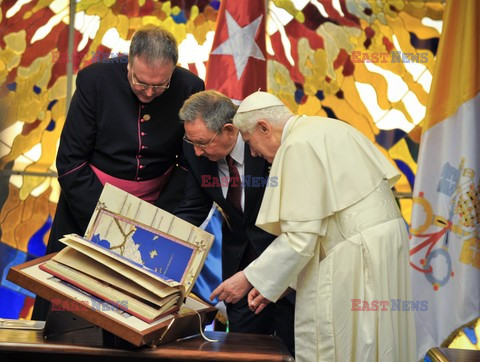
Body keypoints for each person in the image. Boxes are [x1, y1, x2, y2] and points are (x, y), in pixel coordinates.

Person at [211, 91, 417, 361]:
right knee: (379, 338)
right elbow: (321, 226)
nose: (253, 152)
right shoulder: (325, 128)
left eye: (250, 142)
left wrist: (248, 277)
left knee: (348, 343)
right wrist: (278, 282)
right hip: (381, 243)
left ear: (264, 127)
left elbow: (300, 238)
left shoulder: (297, 145)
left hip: (356, 253)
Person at [32, 26, 204, 320]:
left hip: (156, 212)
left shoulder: (190, 87)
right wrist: (108, 225)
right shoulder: (95, 80)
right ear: (129, 61)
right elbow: (71, 162)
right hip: (87, 206)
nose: (150, 92)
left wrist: (156, 222)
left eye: (160, 85)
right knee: (68, 310)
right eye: (141, 82)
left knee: (141, 311)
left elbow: (191, 163)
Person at [174, 90, 295, 354]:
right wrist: (169, 250)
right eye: (191, 141)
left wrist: (270, 273)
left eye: (203, 142)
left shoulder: (268, 138)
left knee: (292, 347)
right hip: (239, 267)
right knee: (244, 350)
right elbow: (193, 207)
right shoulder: (194, 148)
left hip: (289, 267)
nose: (196, 151)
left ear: (229, 130)